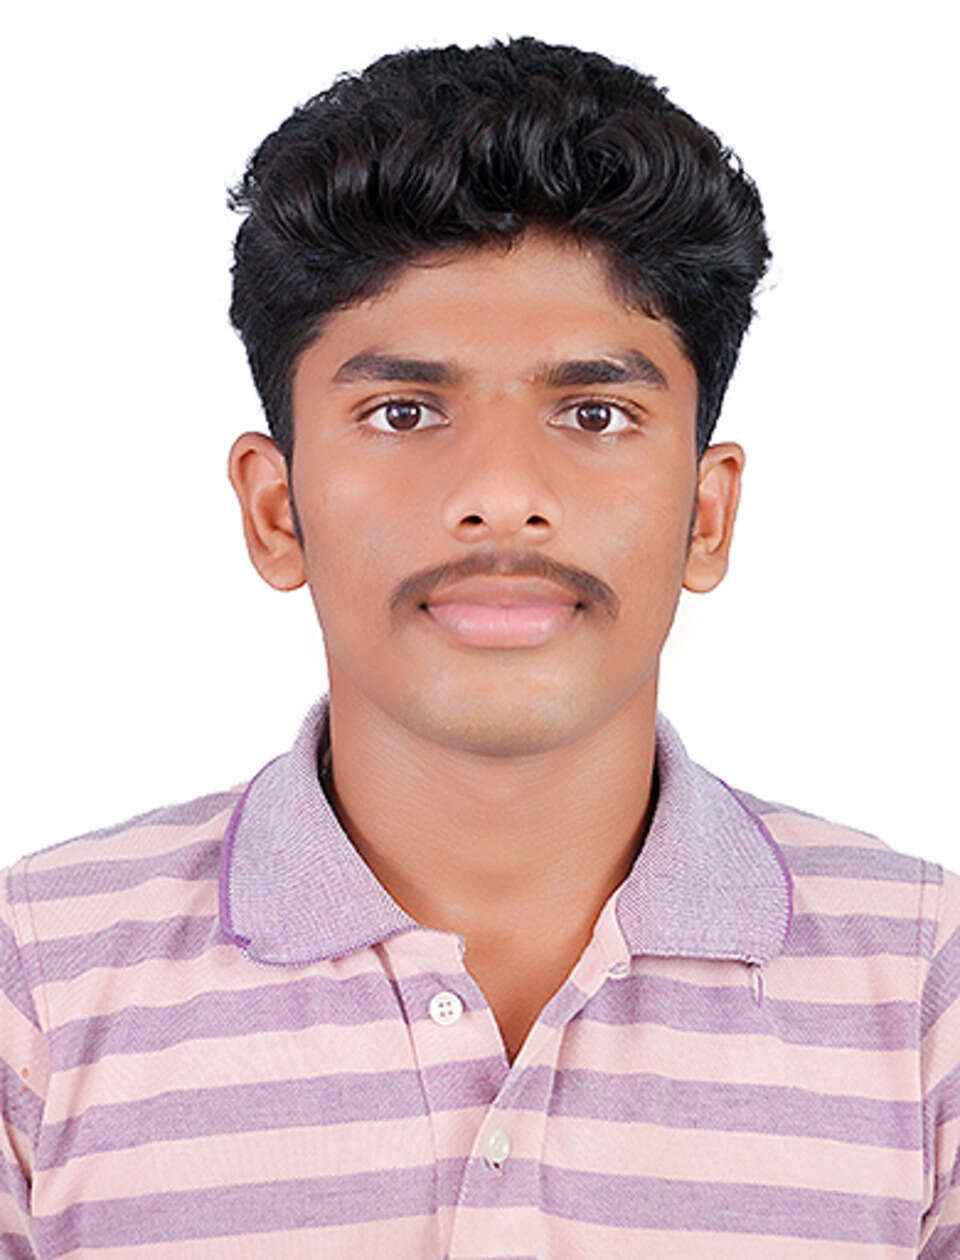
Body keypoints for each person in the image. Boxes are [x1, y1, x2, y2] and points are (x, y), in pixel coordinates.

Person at [2, 34, 956, 1259]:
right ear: (276, 511)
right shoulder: (37, 985)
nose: (502, 496)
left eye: (595, 413)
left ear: (707, 515)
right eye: (403, 411)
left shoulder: (925, 986)